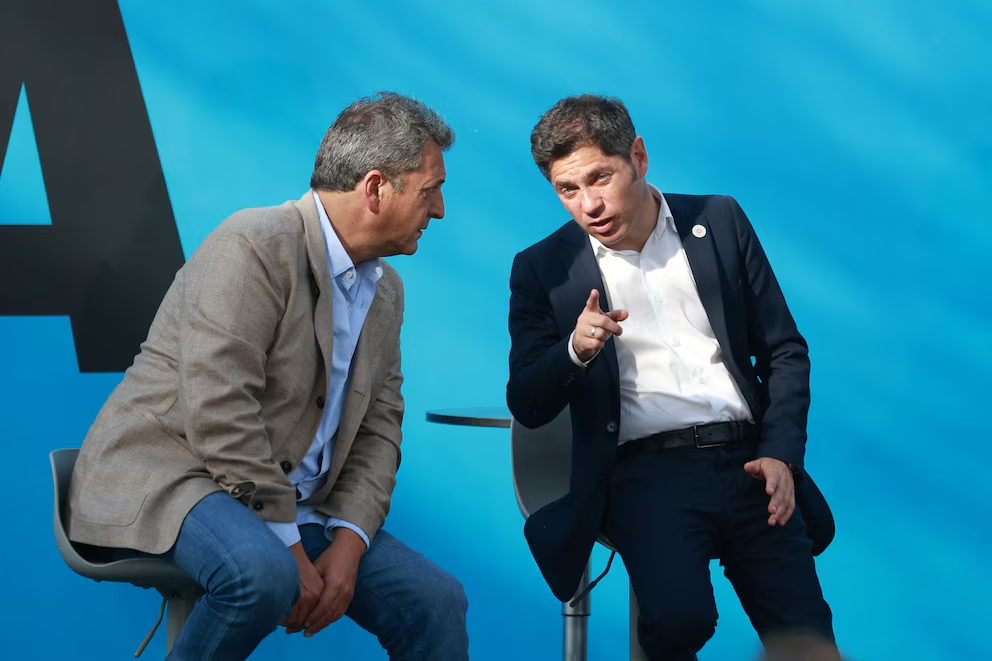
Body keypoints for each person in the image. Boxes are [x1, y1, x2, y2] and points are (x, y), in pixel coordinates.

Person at [67, 92, 469, 661]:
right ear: (376, 188)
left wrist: (350, 541)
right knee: (262, 576)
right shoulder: (253, 243)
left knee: (436, 600)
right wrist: (289, 548)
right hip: (177, 475)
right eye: (431, 190)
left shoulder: (387, 291)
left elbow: (379, 430)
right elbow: (220, 409)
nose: (441, 210)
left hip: (295, 505)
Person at [507, 94, 836, 660]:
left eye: (600, 177)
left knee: (806, 638)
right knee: (680, 620)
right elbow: (527, 402)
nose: (589, 204)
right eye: (567, 189)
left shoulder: (718, 220)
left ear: (638, 156)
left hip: (751, 462)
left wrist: (781, 455)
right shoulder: (544, 269)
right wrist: (574, 350)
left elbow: (784, 350)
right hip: (646, 474)